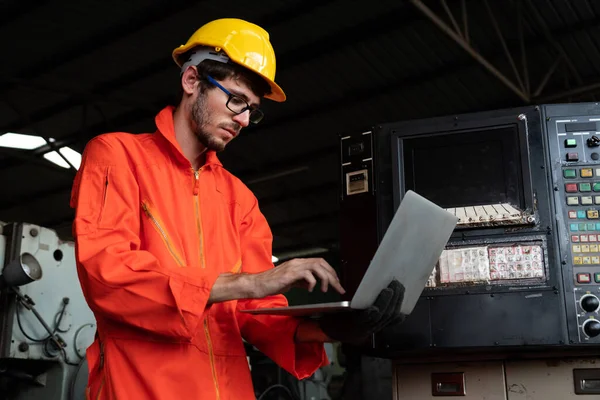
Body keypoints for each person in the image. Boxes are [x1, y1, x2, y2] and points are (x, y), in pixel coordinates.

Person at [70, 18, 405, 400]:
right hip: (141, 389)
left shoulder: (238, 199)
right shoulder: (116, 156)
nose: (244, 119)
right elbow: (108, 275)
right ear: (191, 80)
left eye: (253, 110)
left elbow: (255, 312)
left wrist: (332, 330)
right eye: (236, 100)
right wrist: (250, 281)